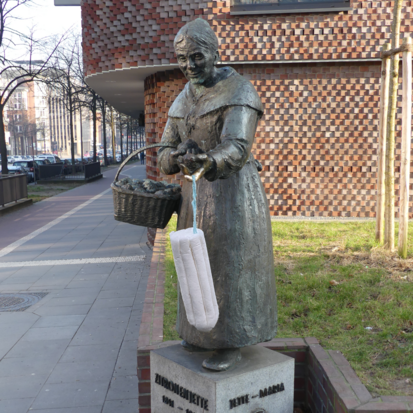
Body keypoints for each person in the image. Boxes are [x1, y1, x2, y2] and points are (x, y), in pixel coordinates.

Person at [158, 18, 277, 371]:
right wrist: (176, 157)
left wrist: (209, 159)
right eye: (183, 59)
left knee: (228, 266)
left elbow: (238, 147)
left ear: (214, 53)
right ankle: (199, 335)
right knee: (193, 262)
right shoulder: (182, 99)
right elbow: (164, 152)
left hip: (233, 198)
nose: (189, 65)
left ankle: (229, 340)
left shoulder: (239, 91)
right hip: (195, 200)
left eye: (197, 57)